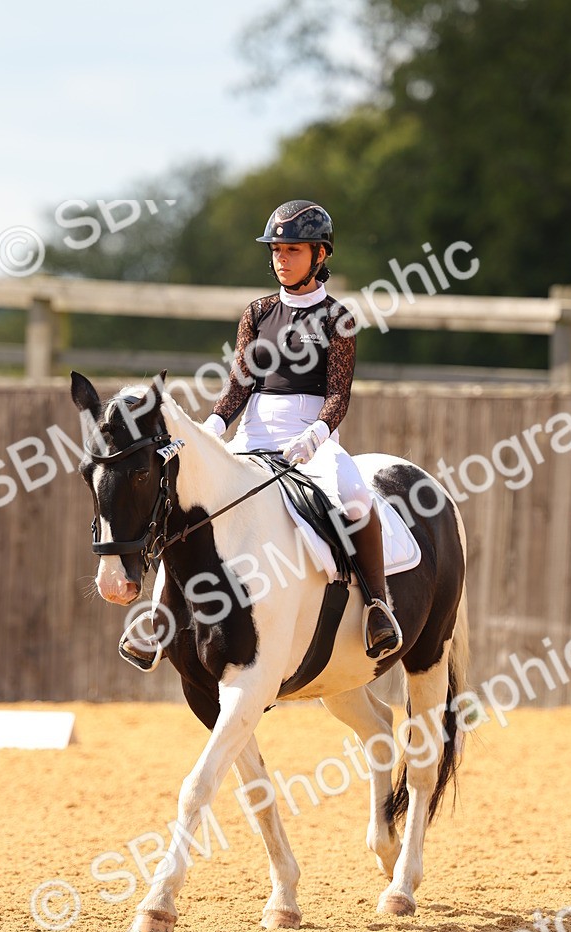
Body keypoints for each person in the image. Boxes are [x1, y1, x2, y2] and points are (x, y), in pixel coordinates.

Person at [120, 199, 401, 670]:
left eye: (292, 249)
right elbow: (239, 383)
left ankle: (377, 606)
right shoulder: (257, 313)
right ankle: (158, 618)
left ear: (320, 254)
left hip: (310, 433)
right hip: (253, 429)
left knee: (355, 498)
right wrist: (212, 426)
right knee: (188, 506)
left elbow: (338, 394)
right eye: (276, 250)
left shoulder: (339, 318)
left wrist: (315, 435)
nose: (281, 258)